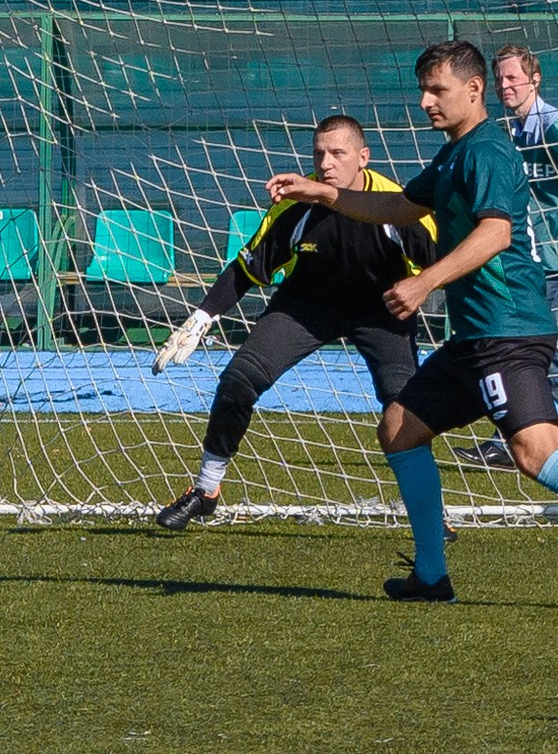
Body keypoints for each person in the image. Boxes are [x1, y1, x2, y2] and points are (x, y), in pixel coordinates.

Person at [266, 39, 558, 611]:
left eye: (437, 90)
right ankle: (431, 575)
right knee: (400, 428)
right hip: (477, 336)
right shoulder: (454, 153)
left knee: (535, 452)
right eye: (422, 91)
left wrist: (425, 280)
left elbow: (496, 234)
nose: (425, 102)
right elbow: (401, 207)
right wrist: (327, 194)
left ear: (474, 89)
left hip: (508, 330)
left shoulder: (486, 151)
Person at [151, 114, 433, 529]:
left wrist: (425, 287)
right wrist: (202, 316)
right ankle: (206, 489)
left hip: (381, 312)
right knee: (237, 380)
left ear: (363, 157)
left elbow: (445, 263)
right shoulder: (296, 203)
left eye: (338, 153)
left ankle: (428, 512)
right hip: (305, 307)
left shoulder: (398, 205)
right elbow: (246, 269)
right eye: (319, 153)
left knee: (404, 407)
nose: (326, 163)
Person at [457, 44, 558, 472]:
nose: (505, 86)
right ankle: (509, 438)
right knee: (526, 348)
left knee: (550, 351)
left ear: (535, 78)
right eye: (499, 79)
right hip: (536, 259)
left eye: (512, 77)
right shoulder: (508, 131)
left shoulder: (555, 125)